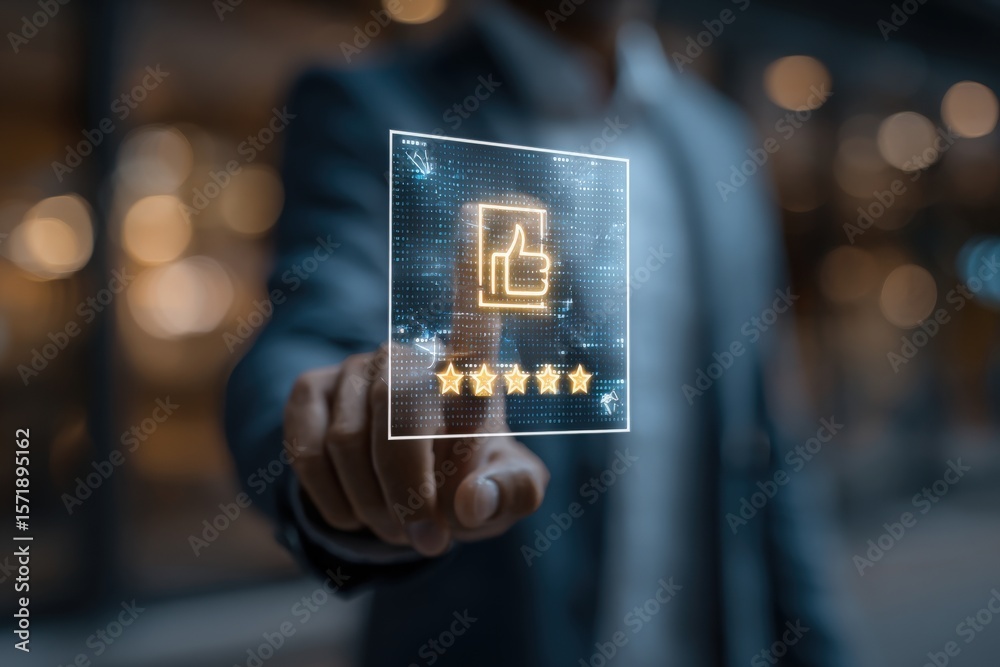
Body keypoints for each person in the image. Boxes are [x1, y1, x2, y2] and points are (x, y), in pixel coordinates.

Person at [226, 1, 863, 664]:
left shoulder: (718, 139)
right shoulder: (373, 104)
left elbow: (766, 445)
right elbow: (312, 333)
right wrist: (345, 426)